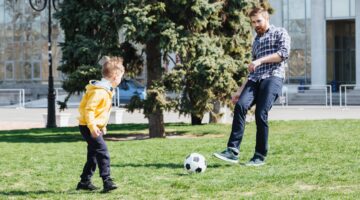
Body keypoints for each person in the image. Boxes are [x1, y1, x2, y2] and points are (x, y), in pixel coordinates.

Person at [214, 7, 291, 166]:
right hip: (255, 79)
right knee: (241, 106)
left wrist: (260, 60)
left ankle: (259, 156)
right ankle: (232, 150)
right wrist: (239, 91)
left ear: (266, 18)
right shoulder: (256, 41)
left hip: (273, 77)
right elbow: (252, 70)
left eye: (258, 21)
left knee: (260, 113)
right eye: (253, 22)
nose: (256, 25)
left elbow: (283, 54)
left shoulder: (280, 32)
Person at [76, 56, 124, 192]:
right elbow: (89, 110)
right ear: (115, 76)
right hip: (88, 126)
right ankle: (107, 181)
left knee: (93, 154)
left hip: (91, 126)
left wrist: (102, 126)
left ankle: (85, 181)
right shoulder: (99, 92)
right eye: (121, 76)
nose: (121, 80)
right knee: (103, 152)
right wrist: (93, 127)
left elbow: (100, 112)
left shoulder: (106, 90)